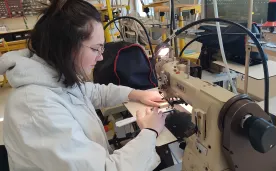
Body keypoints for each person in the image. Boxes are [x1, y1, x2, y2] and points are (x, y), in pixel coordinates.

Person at [0, 0, 167, 170]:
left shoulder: (53, 76)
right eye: (96, 49)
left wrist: (137, 94)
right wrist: (150, 132)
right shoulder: (35, 107)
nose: (101, 57)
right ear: (67, 47)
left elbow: (94, 92)